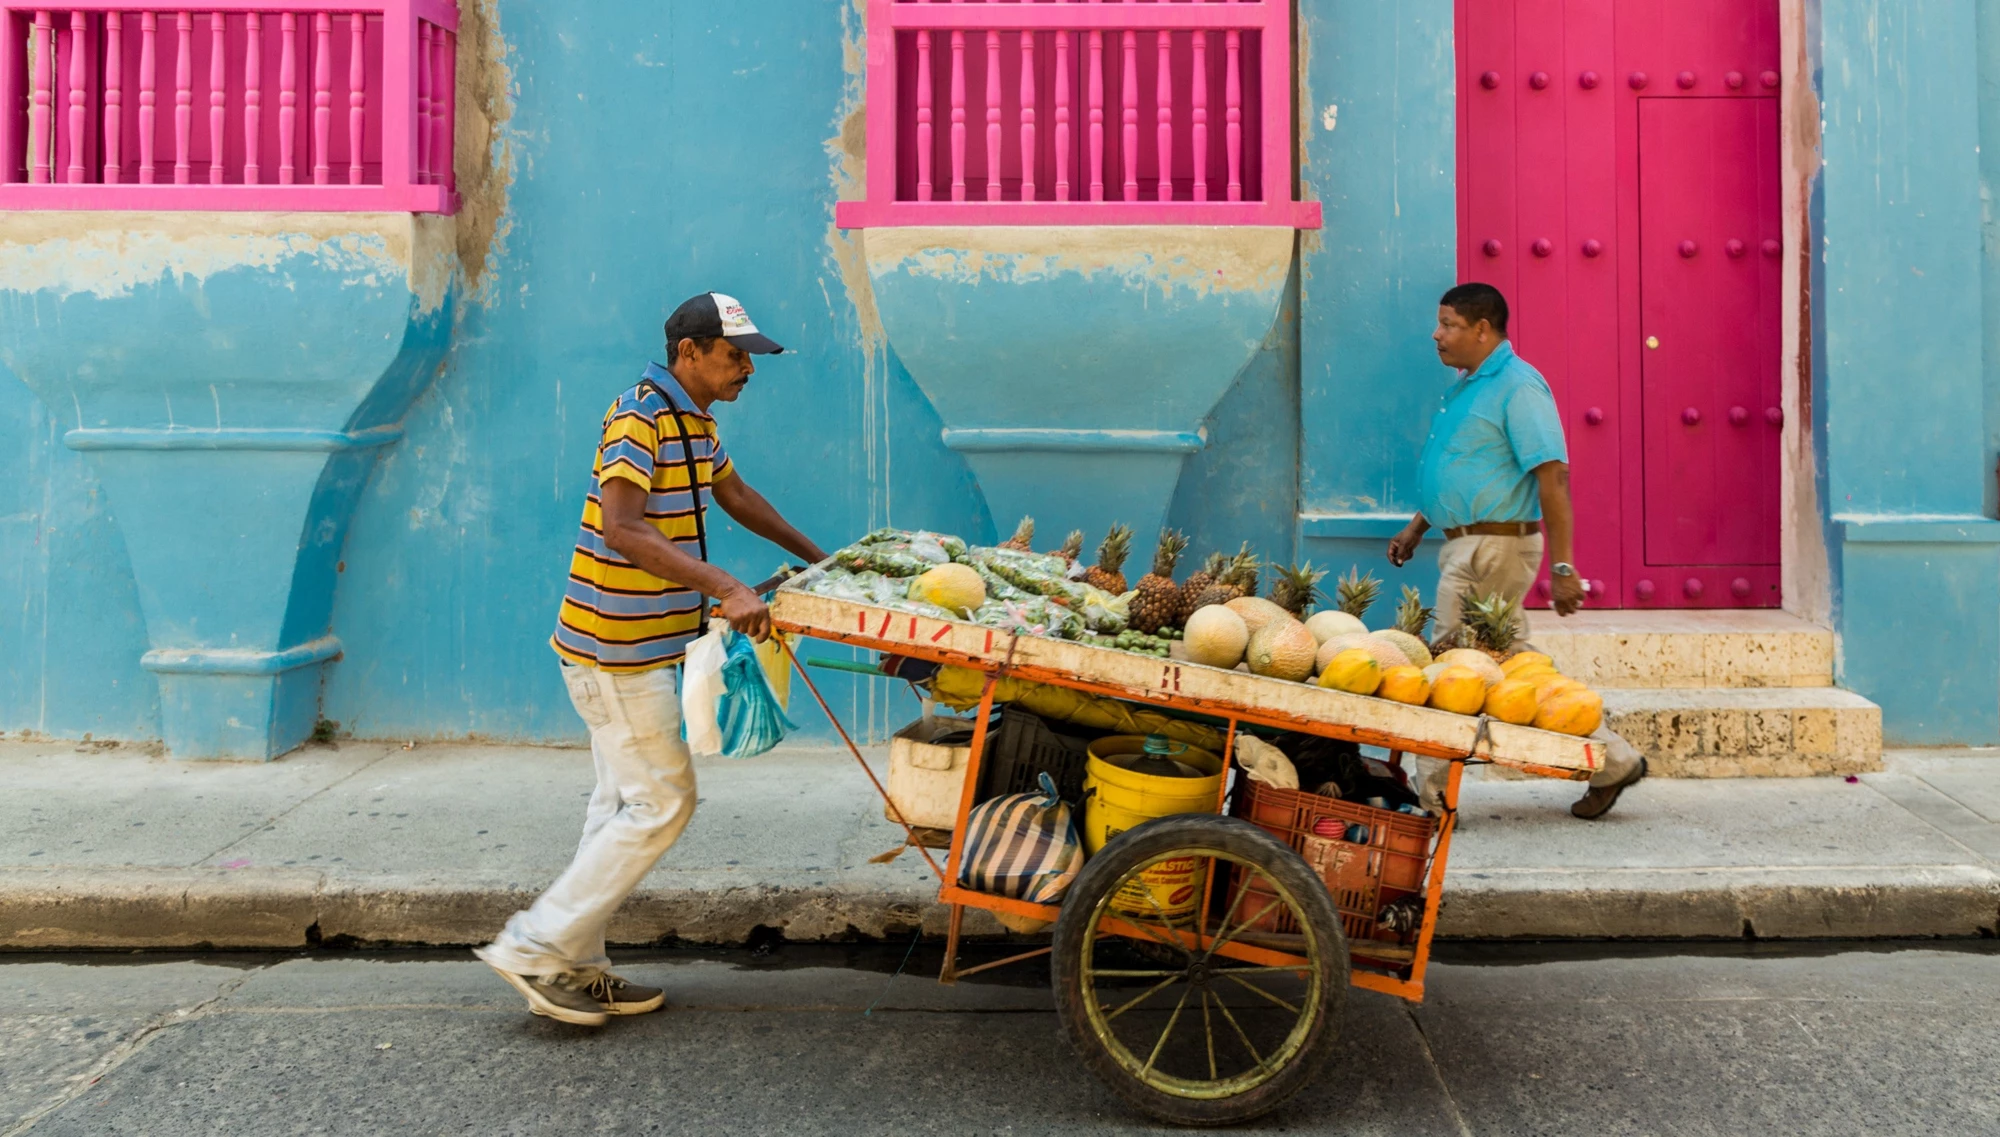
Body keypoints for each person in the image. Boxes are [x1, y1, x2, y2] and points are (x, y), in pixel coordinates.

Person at [476, 292, 828, 1025]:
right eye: (736, 356)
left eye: (751, 358)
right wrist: (727, 585)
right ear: (689, 352)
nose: (747, 370)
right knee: (664, 800)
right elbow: (623, 529)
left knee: (615, 805)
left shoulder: (694, 420)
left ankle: (579, 962)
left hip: (640, 648)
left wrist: (822, 559)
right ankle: (532, 945)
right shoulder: (640, 416)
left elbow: (735, 495)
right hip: (615, 653)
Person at [1388, 283, 1645, 821]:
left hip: (1494, 547)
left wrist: (1565, 564)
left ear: (1483, 329)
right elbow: (1468, 469)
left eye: (1449, 324)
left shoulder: (1518, 385)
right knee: (1512, 667)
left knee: (1450, 666)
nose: (1437, 334)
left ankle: (1432, 797)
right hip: (1468, 542)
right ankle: (1613, 760)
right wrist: (1418, 526)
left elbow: (1552, 474)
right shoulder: (1465, 387)